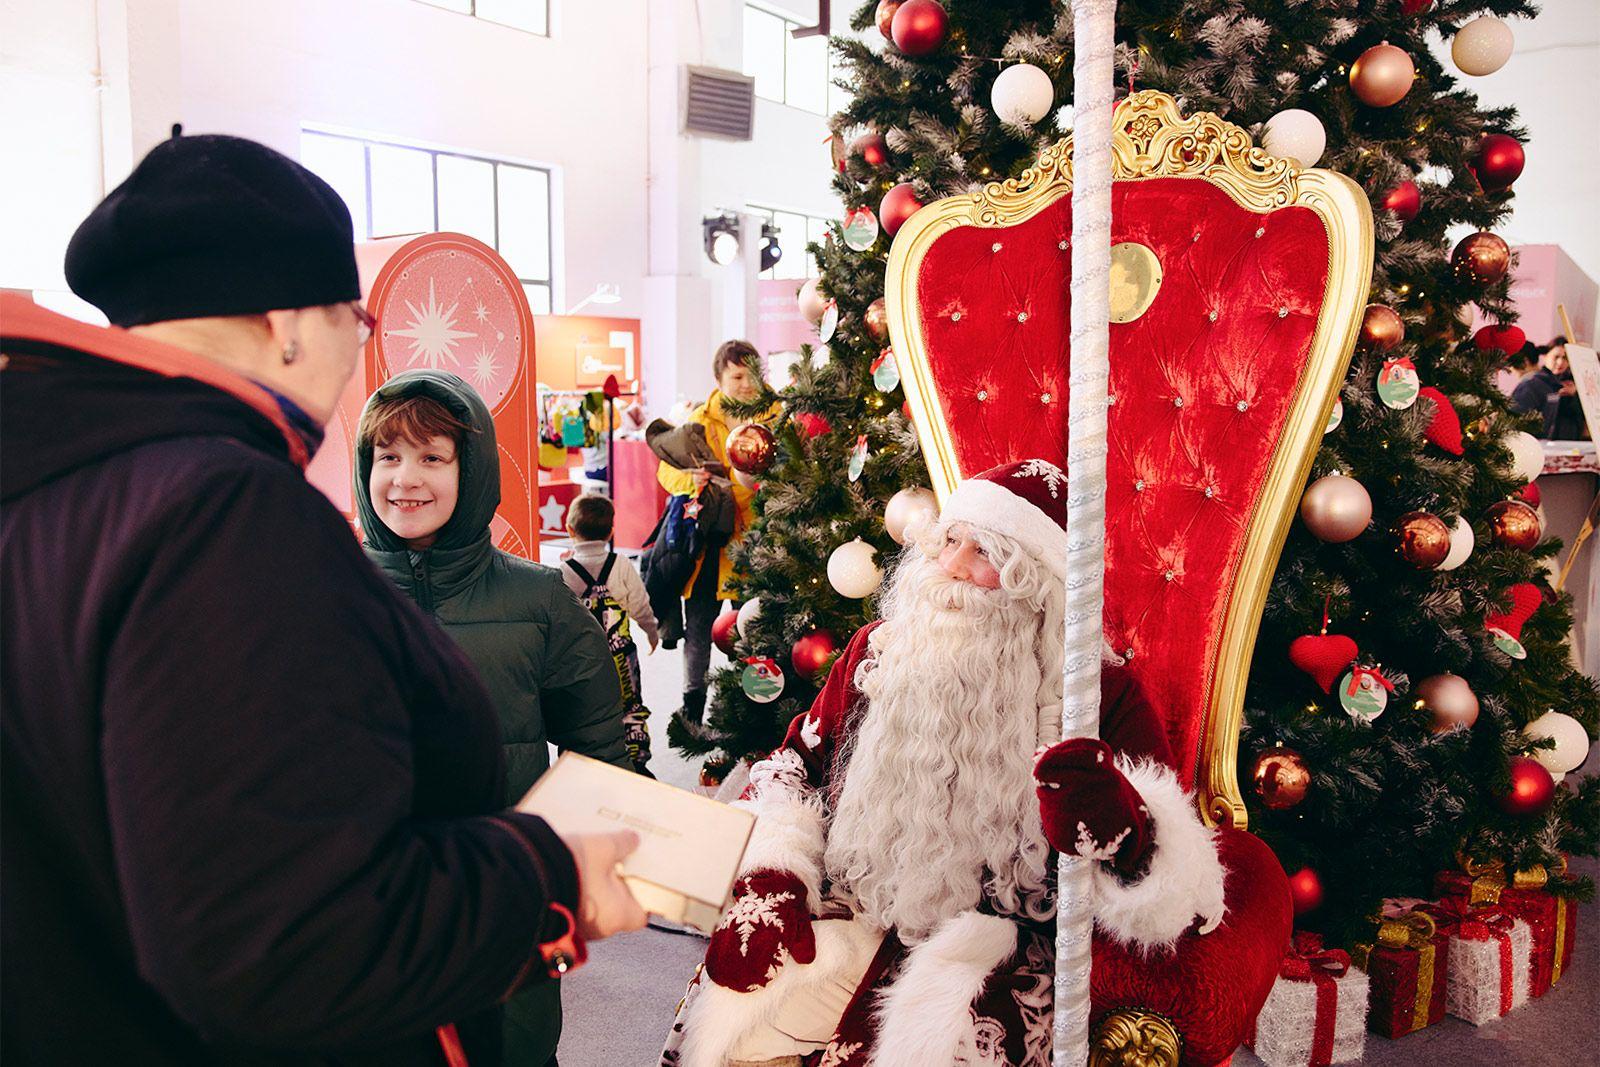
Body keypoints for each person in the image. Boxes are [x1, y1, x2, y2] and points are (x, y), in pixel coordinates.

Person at [0, 131, 644, 1067]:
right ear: (290, 321)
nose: (357, 350)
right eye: (358, 318)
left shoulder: (50, 488)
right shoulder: (224, 513)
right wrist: (547, 875)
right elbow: (282, 938)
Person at [661, 460, 1227, 1067]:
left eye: (984, 553)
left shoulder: (1098, 694)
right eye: (950, 540)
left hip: (996, 944)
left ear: (1035, 584)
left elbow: (1178, 881)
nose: (951, 566)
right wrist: (774, 874)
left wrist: (1122, 830)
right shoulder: (878, 651)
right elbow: (796, 763)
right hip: (860, 905)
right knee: (737, 1023)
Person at [356, 370, 634, 1065]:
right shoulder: (328, 592)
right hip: (369, 906)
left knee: (513, 1045)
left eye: (432, 457)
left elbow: (600, 750)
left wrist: (610, 855)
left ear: (471, 469)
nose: (405, 478)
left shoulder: (539, 600)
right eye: (388, 456)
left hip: (506, 896)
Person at [656, 340, 782, 724]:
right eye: (737, 376)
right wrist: (691, 481)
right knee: (699, 632)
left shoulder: (776, 417)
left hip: (758, 545)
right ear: (719, 379)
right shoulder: (698, 420)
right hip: (708, 548)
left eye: (752, 375)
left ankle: (752, 712)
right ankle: (692, 709)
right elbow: (666, 473)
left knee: (753, 634)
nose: (747, 384)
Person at [561, 493, 661, 775]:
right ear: (611, 532)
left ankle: (581, 761)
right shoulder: (621, 564)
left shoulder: (563, 572)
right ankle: (636, 761)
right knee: (630, 706)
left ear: (570, 530)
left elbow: (559, 619)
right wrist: (651, 631)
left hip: (582, 661)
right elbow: (640, 603)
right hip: (622, 657)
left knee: (582, 709)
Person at [1511, 337, 1584, 439]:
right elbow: (1515, 420)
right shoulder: (1532, 384)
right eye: (1556, 357)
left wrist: (1575, 396)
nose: (1560, 362)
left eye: (1565, 358)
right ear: (1546, 356)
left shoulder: (1571, 384)